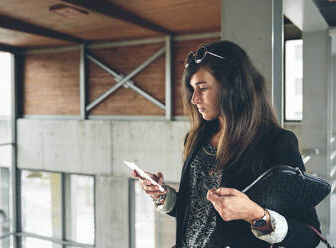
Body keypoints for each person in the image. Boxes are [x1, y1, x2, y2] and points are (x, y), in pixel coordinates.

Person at [131, 40, 321, 248]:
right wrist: (163, 195)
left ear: (232, 86)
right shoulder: (195, 140)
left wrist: (256, 215)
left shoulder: (276, 143)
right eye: (192, 89)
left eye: (202, 88)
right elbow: (199, 215)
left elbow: (310, 237)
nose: (194, 99)